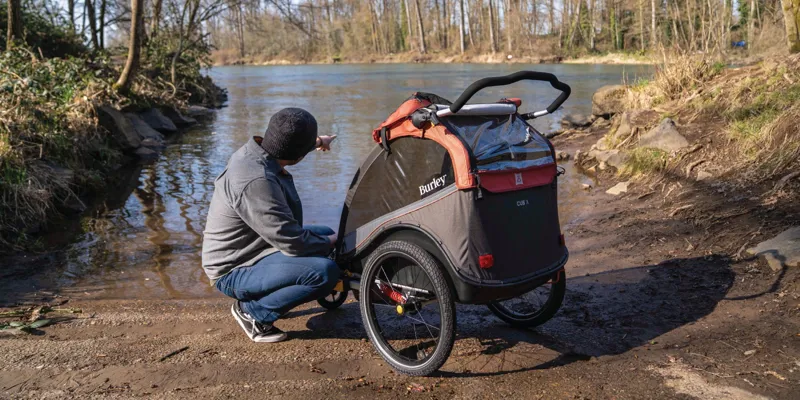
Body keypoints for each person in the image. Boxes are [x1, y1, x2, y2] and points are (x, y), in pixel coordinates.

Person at [202, 108, 339, 343]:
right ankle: (253, 313)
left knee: (323, 235)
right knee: (323, 272)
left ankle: (277, 293)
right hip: (234, 269)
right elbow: (293, 242)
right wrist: (335, 240)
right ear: (296, 155)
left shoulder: (255, 151)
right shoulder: (257, 181)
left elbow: (289, 145)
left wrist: (318, 141)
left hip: (258, 248)